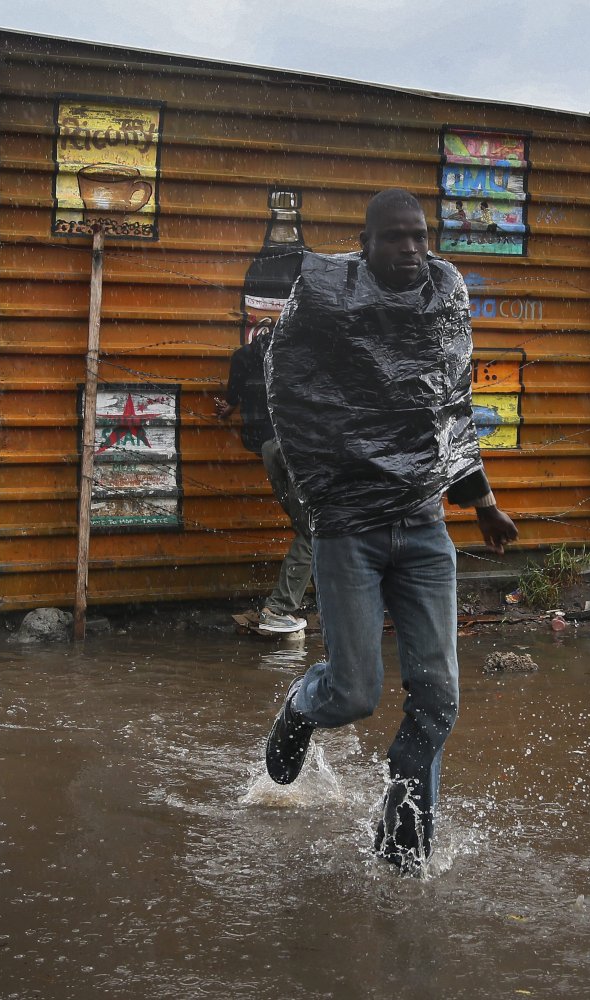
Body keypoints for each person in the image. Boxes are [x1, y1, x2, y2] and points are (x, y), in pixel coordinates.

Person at [263, 189, 517, 875]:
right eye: (396, 238)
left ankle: (404, 835)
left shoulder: (441, 298)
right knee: (354, 694)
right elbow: (290, 398)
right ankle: (299, 709)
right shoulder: (326, 305)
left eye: (421, 236)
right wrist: (319, 495)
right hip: (349, 527)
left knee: (437, 696)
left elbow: (448, 406)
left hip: (425, 526)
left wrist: (483, 501)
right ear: (365, 242)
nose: (412, 249)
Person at [216, 328, 312, 632]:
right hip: (297, 451)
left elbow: (232, 401)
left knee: (307, 527)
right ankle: (279, 608)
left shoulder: (248, 356)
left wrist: (229, 406)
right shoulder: (306, 356)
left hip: (271, 449)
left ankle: (321, 599)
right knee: (313, 532)